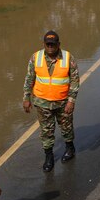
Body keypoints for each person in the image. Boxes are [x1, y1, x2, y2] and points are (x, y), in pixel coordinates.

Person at [23, 30, 80, 172]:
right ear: (44, 44)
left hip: (63, 102)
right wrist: (26, 97)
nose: (50, 47)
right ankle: (48, 157)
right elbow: (29, 78)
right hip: (43, 103)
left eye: (53, 44)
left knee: (66, 127)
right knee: (46, 131)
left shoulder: (67, 58)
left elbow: (74, 80)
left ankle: (69, 148)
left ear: (58, 44)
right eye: (48, 44)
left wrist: (71, 101)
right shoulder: (35, 57)